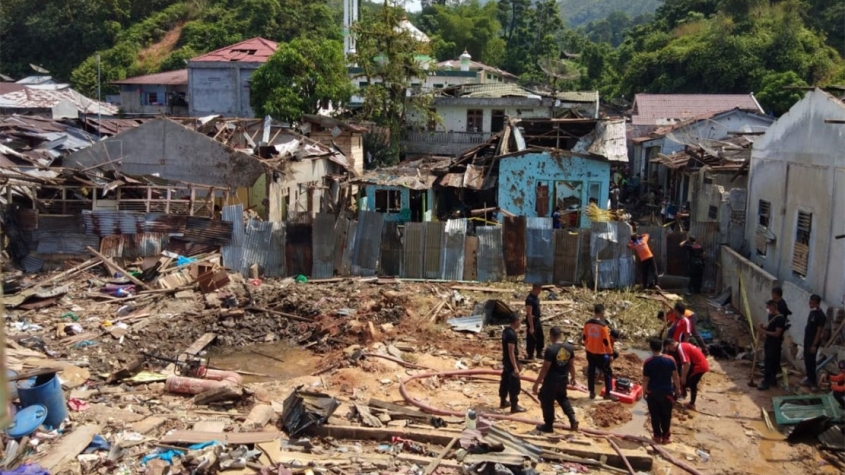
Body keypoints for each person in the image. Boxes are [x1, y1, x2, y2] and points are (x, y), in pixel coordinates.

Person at [533, 326, 579, 433]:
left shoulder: (551, 350)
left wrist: (536, 383)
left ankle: (548, 425)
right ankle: (573, 418)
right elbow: (571, 365)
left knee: (546, 400)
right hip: (563, 379)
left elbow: (545, 368)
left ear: (551, 336)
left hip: (551, 381)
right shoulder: (569, 348)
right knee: (562, 398)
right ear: (560, 335)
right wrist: (573, 377)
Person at [643, 338, 682, 444]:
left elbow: (645, 379)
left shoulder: (648, 362)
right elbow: (675, 376)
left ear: (651, 348)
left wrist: (644, 392)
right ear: (662, 347)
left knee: (654, 415)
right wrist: (678, 389)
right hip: (667, 393)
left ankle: (657, 436)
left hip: (653, 393)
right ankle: (666, 437)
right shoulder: (670, 360)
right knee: (666, 415)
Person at [583, 304, 619, 400]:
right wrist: (610, 354)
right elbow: (606, 342)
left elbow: (584, 338)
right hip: (600, 353)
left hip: (590, 352)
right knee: (608, 372)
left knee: (591, 371)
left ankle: (591, 392)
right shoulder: (603, 326)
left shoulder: (587, 323)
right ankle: (607, 394)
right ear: (602, 312)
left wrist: (588, 347)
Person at [664, 339, 709, 410]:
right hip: (702, 365)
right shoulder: (683, 344)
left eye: (669, 348)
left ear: (672, 345)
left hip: (698, 366)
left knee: (682, 382)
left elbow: (687, 363)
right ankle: (691, 403)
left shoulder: (680, 348)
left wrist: (683, 377)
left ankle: (674, 399)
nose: (670, 350)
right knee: (693, 384)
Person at [499, 313, 527, 413]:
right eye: (519, 321)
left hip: (506, 361)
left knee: (505, 381)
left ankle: (503, 401)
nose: (520, 323)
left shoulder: (505, 331)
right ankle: (514, 406)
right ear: (516, 322)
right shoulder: (511, 334)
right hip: (511, 362)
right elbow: (511, 351)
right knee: (514, 384)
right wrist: (515, 367)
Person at [757, 300, 787, 390]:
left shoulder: (780, 318)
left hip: (775, 344)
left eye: (768, 307)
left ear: (774, 306)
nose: (767, 309)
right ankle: (772, 379)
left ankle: (766, 382)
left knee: (771, 363)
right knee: (769, 361)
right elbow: (770, 328)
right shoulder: (771, 316)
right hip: (769, 342)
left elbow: (777, 333)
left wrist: (763, 331)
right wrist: (763, 327)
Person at [801, 294, 826, 389]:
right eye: (810, 302)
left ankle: (813, 382)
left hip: (813, 342)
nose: (810, 304)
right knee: (807, 360)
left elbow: (819, 332)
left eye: (813, 303)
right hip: (807, 340)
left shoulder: (821, 316)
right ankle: (808, 378)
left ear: (818, 304)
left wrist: (814, 345)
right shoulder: (812, 312)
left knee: (811, 361)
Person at [525, 283, 544, 360]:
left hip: (537, 319)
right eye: (539, 289)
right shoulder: (529, 299)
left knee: (540, 336)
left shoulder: (536, 298)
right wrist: (531, 327)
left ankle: (539, 353)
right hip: (532, 320)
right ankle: (530, 354)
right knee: (531, 338)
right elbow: (529, 313)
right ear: (535, 289)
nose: (540, 291)